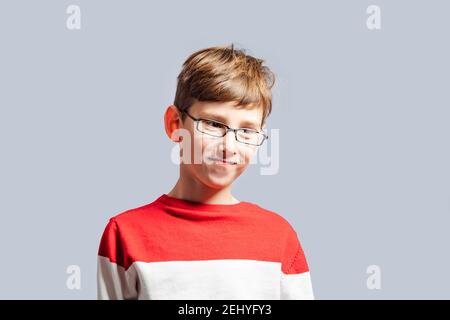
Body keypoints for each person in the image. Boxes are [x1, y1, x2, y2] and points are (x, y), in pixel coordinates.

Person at [97, 44, 314, 300]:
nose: (229, 147)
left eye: (247, 130)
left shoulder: (279, 237)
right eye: (213, 124)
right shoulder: (124, 235)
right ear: (175, 124)